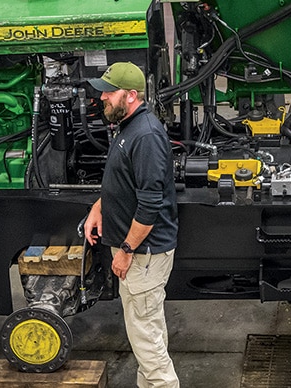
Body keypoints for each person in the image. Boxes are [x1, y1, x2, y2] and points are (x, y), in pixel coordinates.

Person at [84, 62, 180, 388]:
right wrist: (100, 206)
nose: (103, 98)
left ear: (132, 95)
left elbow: (150, 204)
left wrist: (126, 249)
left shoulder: (147, 135)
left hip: (143, 256)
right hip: (137, 255)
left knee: (148, 341)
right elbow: (125, 182)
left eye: (110, 92)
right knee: (146, 334)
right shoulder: (128, 126)